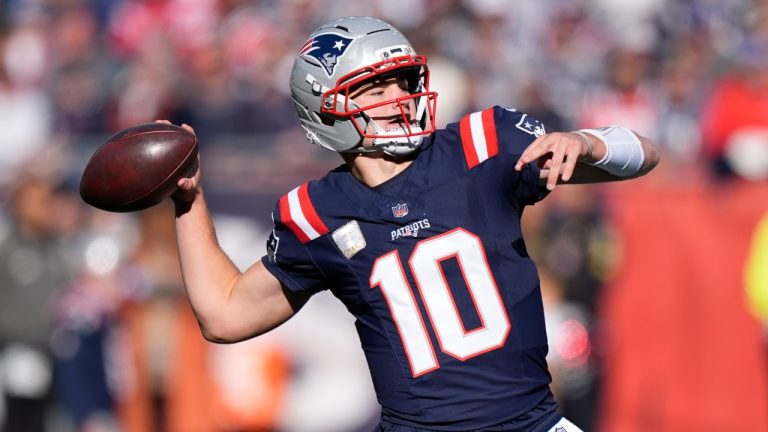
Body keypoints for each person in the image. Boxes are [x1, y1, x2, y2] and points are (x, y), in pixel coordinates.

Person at [168, 16, 659, 432]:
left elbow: (644, 154)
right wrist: (188, 199)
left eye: (404, 82)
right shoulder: (318, 212)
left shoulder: (481, 144)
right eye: (378, 89)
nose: (400, 98)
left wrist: (587, 142)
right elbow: (225, 315)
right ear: (326, 109)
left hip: (532, 423)